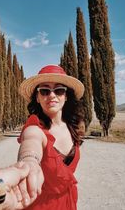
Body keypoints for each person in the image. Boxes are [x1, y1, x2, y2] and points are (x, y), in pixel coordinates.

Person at [17, 64, 85, 210]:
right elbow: (31, 142)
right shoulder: (34, 128)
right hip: (40, 205)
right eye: (45, 91)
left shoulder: (73, 127)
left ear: (66, 96)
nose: (52, 95)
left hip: (68, 201)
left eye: (59, 90)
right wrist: (29, 162)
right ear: (37, 97)